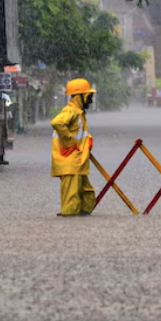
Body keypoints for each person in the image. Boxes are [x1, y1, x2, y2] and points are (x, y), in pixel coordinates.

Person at [51, 78, 96, 217]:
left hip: (77, 161)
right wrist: (70, 142)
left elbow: (80, 133)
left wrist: (87, 141)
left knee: (87, 192)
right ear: (79, 97)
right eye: (89, 97)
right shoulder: (71, 111)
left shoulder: (79, 113)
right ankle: (70, 219)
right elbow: (57, 122)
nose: (91, 101)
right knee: (71, 201)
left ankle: (82, 213)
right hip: (70, 161)